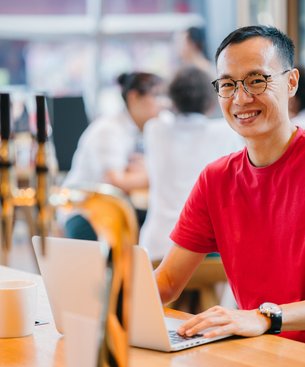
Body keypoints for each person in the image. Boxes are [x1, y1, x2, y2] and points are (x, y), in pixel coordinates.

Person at [155, 25, 305, 343]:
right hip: (256, 355)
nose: (240, 98)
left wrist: (265, 316)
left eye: (256, 80)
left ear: (291, 82)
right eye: (228, 85)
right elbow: (167, 281)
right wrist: (99, 299)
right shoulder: (217, 179)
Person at [140, 66, 243, 262]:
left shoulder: (154, 130)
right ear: (212, 102)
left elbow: (164, 116)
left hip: (156, 247)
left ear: (172, 100)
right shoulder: (226, 132)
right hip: (208, 252)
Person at [61, 71, 165, 239]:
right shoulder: (108, 130)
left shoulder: (151, 128)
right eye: (156, 95)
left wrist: (144, 171)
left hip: (119, 209)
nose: (162, 103)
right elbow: (116, 181)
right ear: (134, 98)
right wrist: (154, 174)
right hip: (86, 211)